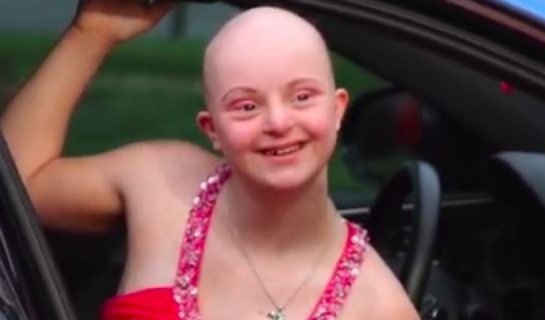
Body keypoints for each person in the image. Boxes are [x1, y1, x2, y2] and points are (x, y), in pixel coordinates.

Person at [0, 1, 420, 319]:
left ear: (338, 108)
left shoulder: (380, 303)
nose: (277, 121)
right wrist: (90, 36)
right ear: (211, 129)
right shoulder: (161, 179)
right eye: (246, 106)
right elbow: (18, 185)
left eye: (302, 97)